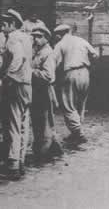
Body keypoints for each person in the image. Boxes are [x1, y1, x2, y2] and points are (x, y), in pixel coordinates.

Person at [0, 9, 32, 180]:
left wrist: (8, 76)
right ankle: (21, 162)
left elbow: (18, 58)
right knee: (24, 125)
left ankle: (13, 166)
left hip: (16, 84)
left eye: (4, 24)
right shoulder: (27, 37)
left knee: (13, 125)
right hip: (27, 84)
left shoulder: (12, 38)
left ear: (12, 25)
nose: (2, 28)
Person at [53, 24, 98, 144]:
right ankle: (75, 133)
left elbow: (54, 63)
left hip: (70, 73)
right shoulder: (81, 40)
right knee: (81, 104)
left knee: (68, 105)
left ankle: (78, 133)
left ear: (59, 34)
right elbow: (95, 54)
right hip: (85, 73)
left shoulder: (60, 44)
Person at [31, 25, 63, 161]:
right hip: (37, 90)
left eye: (39, 36)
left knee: (44, 121)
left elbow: (48, 75)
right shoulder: (37, 51)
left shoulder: (48, 53)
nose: (36, 39)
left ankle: (43, 152)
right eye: (34, 36)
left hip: (44, 90)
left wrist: (31, 71)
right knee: (39, 120)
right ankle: (53, 147)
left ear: (46, 38)